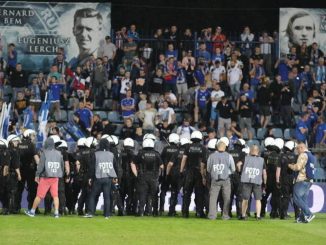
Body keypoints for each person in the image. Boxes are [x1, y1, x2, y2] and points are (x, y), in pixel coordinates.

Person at [25, 138, 64, 218]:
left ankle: (32, 211)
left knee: (39, 195)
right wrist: (61, 173)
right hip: (55, 177)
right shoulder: (59, 153)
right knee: (55, 195)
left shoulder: (44, 153)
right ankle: (56, 213)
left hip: (45, 177)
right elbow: (62, 165)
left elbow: (40, 166)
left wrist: (37, 175)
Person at [84, 139, 117, 219]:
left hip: (98, 178)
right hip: (108, 178)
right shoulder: (111, 154)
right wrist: (115, 177)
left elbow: (92, 168)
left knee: (93, 195)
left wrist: (90, 177)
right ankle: (107, 214)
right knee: (107, 196)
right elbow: (115, 166)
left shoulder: (96, 154)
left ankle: (91, 212)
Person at [131, 138, 163, 216]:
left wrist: (136, 174)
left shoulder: (140, 153)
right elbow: (162, 166)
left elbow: (132, 163)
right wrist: (158, 175)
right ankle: (154, 212)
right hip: (153, 177)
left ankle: (140, 212)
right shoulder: (157, 154)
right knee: (154, 195)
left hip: (142, 176)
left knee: (142, 194)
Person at [180, 131, 207, 218]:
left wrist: (181, 170)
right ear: (200, 138)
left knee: (187, 193)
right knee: (199, 194)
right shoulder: (203, 148)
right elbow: (203, 162)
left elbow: (184, 159)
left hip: (189, 172)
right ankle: (199, 212)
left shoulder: (188, 147)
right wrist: (203, 175)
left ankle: (185, 212)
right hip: (199, 172)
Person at [206, 140, 235, 220]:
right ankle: (225, 215)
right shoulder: (229, 156)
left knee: (213, 198)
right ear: (225, 147)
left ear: (217, 147)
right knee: (226, 198)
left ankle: (212, 216)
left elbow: (208, 169)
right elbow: (233, 169)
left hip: (215, 180)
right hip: (226, 179)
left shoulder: (211, 156)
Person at [288, 142, 316, 223]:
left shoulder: (303, 155)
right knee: (303, 200)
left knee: (296, 198)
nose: (297, 150)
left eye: (297, 148)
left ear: (302, 148)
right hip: (309, 180)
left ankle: (309, 214)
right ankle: (302, 218)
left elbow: (298, 167)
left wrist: (289, 165)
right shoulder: (311, 156)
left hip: (302, 179)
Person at [239, 145, 267, 220]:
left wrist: (240, 172)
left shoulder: (245, 158)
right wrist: (265, 182)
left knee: (245, 199)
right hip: (257, 181)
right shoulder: (262, 160)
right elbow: (264, 173)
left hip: (246, 180)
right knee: (258, 199)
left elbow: (238, 164)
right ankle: (258, 216)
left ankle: (243, 215)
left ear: (251, 150)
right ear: (258, 151)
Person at [16, 130, 39, 212]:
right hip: (30, 170)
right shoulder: (31, 145)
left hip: (20, 170)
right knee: (32, 190)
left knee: (18, 190)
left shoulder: (18, 144)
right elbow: (37, 160)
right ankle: (32, 208)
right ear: (28, 135)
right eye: (32, 135)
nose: (34, 137)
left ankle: (16, 208)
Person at [159, 133, 180, 216]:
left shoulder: (165, 149)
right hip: (175, 173)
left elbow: (160, 159)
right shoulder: (178, 149)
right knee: (174, 191)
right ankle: (172, 210)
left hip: (165, 173)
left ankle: (161, 209)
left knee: (163, 191)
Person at [276, 141, 297, 219]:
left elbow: (278, 169)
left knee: (285, 197)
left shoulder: (281, 156)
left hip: (284, 179)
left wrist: (277, 180)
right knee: (295, 197)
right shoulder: (295, 156)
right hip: (293, 179)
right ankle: (297, 214)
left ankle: (283, 214)